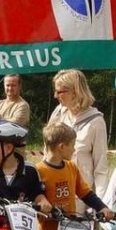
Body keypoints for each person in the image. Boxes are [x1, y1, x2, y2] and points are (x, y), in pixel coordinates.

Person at [48, 69, 109, 202]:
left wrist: (100, 204)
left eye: (59, 92)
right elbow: (47, 152)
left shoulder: (96, 121)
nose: (55, 95)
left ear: (75, 91)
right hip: (55, 191)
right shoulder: (58, 114)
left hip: (80, 198)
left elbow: (101, 168)